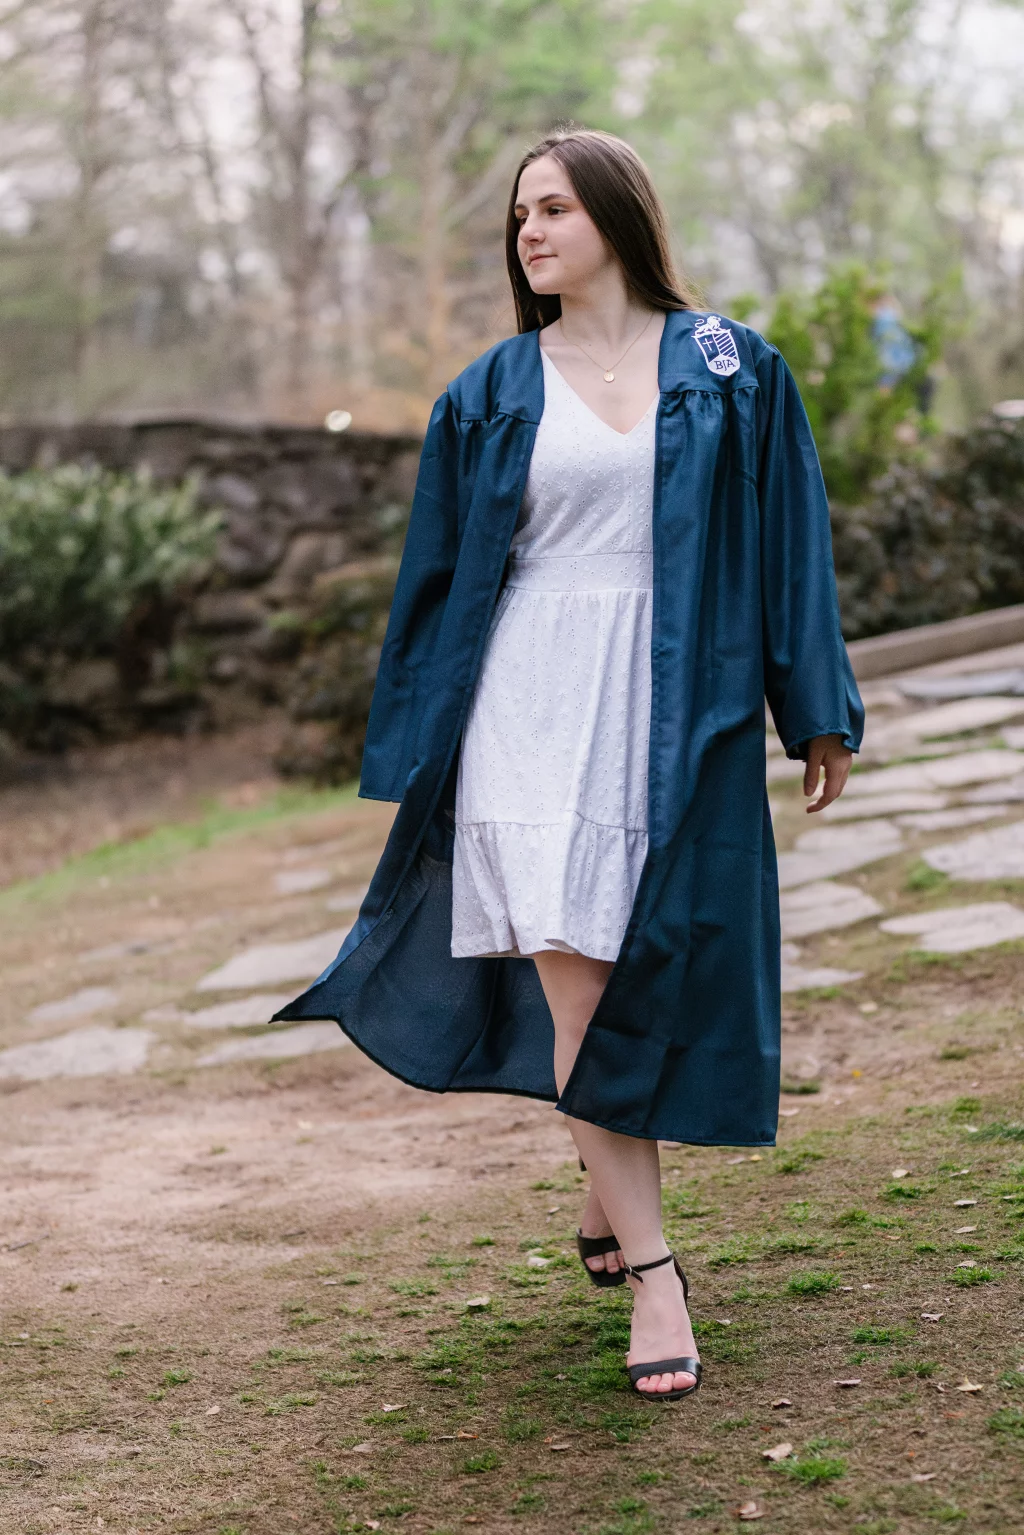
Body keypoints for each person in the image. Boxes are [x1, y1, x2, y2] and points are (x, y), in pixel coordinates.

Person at [275, 128, 864, 1403]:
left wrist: (813, 705)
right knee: (574, 978)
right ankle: (654, 1271)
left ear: (616, 215)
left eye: (552, 208)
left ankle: (605, 1185)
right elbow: (435, 577)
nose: (529, 232)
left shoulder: (729, 366)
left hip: (671, 694)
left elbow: (789, 543)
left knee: (650, 953)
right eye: (518, 215)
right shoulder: (490, 389)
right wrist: (412, 738)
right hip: (528, 702)